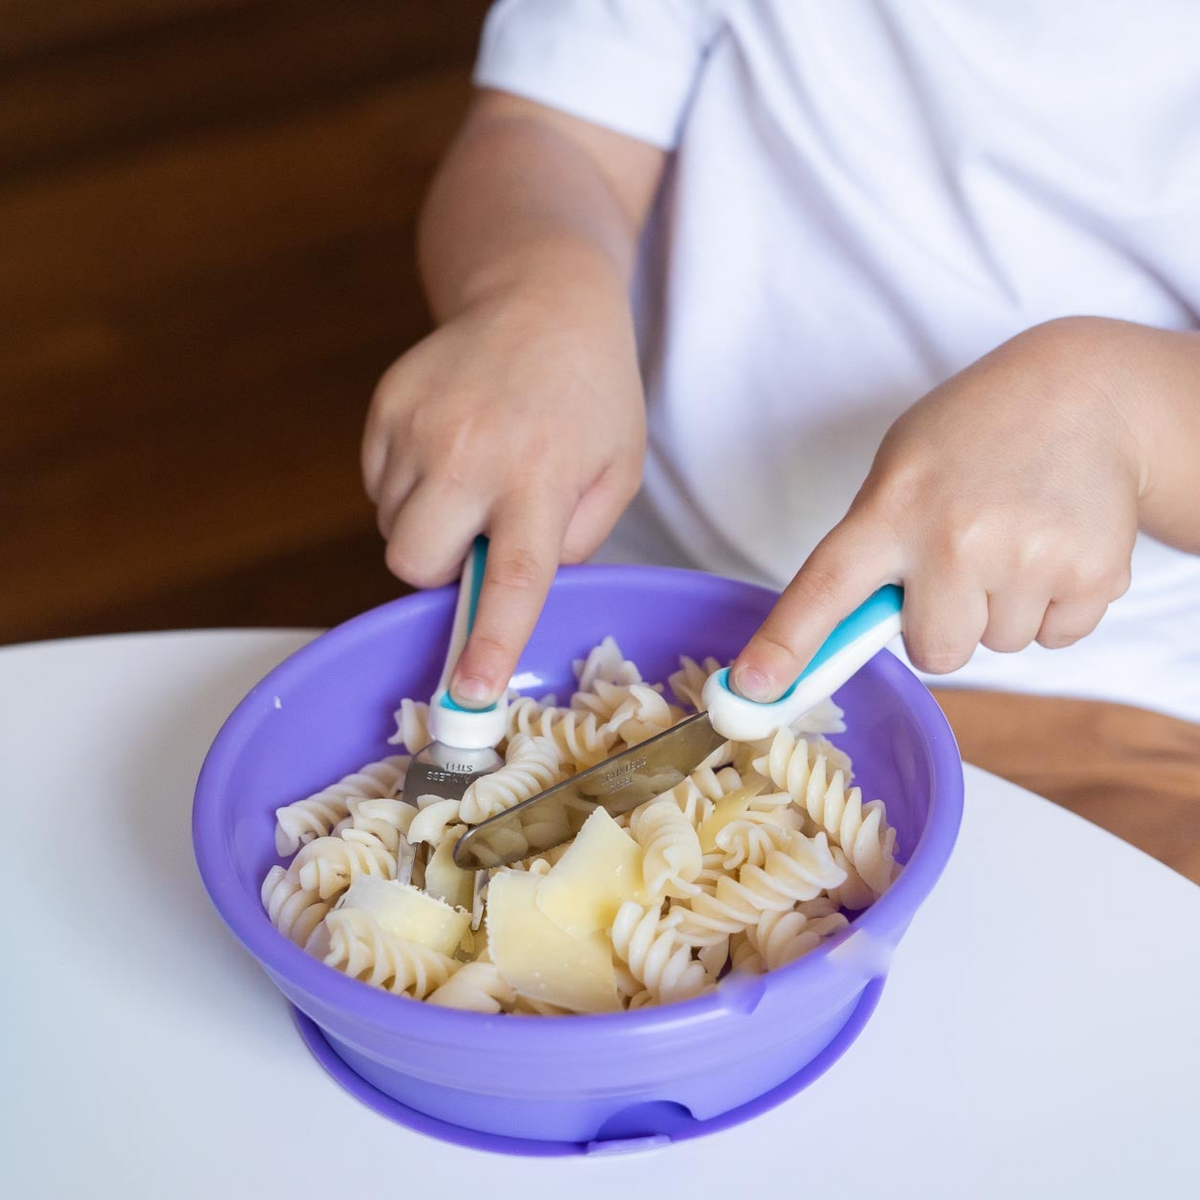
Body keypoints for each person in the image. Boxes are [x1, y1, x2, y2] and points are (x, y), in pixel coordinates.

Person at [361, 0, 1200, 722]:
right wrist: (529, 293)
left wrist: (1120, 412)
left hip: (1087, 689)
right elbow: (547, 127)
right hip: (638, 593)